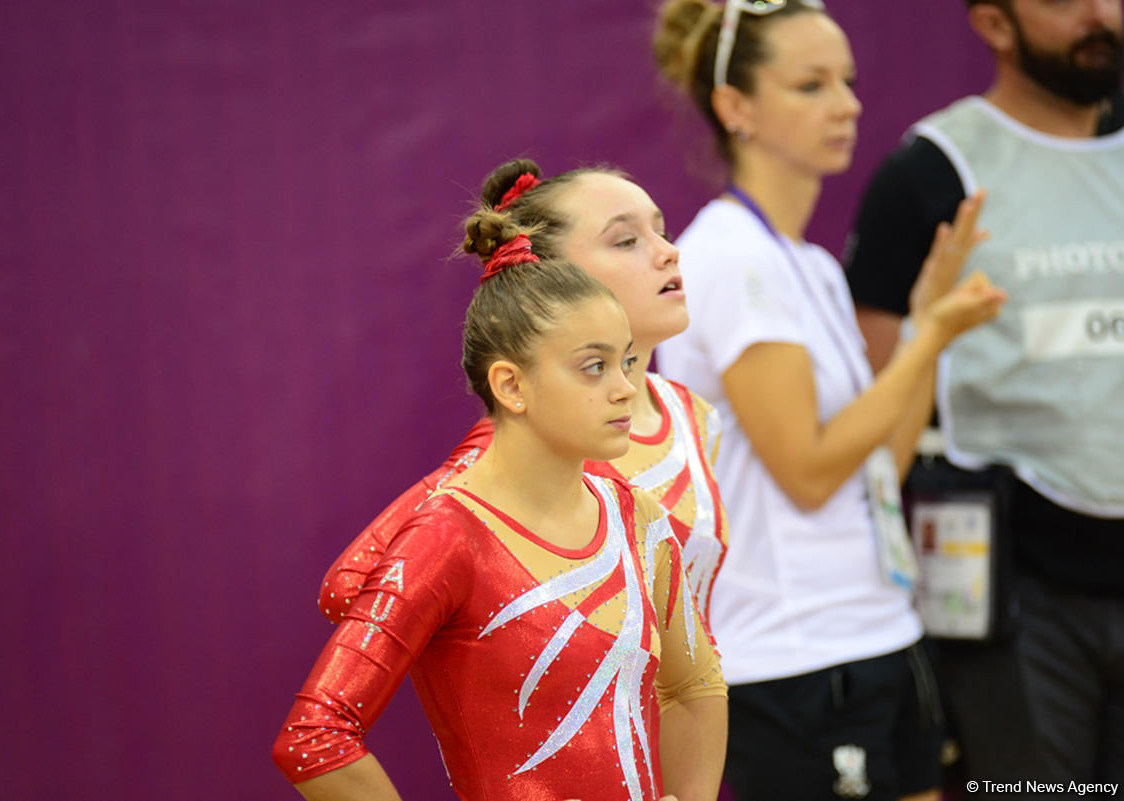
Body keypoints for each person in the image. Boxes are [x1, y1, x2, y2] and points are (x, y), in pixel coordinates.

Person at [651, 1, 1007, 799]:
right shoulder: (730, 256)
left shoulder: (809, 264)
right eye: (811, 85)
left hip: (884, 632)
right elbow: (809, 472)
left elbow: (879, 464)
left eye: (847, 81)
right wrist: (925, 339)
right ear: (735, 107)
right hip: (795, 660)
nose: (846, 104)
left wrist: (924, 334)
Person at [272, 214, 729, 801]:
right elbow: (314, 737)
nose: (623, 388)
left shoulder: (637, 517)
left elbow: (694, 684)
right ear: (511, 386)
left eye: (628, 363)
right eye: (594, 366)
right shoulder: (447, 536)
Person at [845, 0, 1124, 794]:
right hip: (1015, 590)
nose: (1098, 14)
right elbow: (878, 396)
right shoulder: (932, 172)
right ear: (995, 24)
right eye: (1062, 2)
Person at [321, 159, 730, 633]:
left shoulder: (693, 416)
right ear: (557, 278)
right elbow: (347, 587)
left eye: (661, 232)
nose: (669, 253)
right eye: (626, 241)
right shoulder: (536, 436)